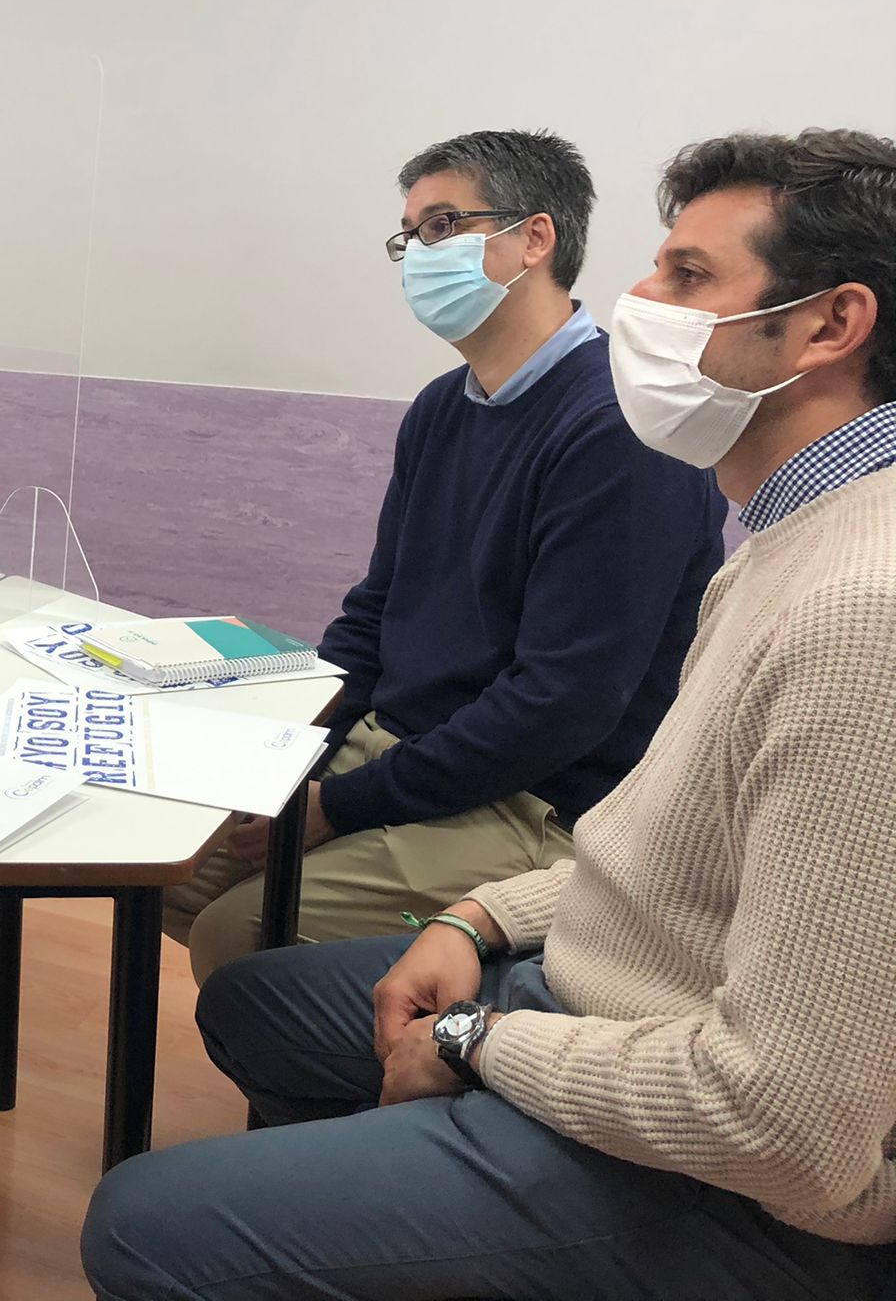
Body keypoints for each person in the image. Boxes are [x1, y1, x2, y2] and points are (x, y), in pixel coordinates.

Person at [82, 128, 896, 1301]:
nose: (641, 299)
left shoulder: (852, 603)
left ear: (829, 325)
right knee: (231, 964)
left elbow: (784, 1123)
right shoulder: (783, 531)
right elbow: (682, 837)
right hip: (590, 948)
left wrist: (473, 1040)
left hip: (695, 1112)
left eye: (685, 274)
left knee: (142, 1214)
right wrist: (462, 907)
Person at [164, 129, 725, 985]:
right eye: (409, 236)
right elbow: (374, 613)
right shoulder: (441, 408)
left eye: (441, 226)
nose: (418, 256)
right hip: (403, 749)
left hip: (537, 799)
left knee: (236, 935)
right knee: (166, 867)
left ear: (535, 238)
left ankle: (371, 1047)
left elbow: (562, 703)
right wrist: (297, 751)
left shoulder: (620, 429)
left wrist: (339, 805)